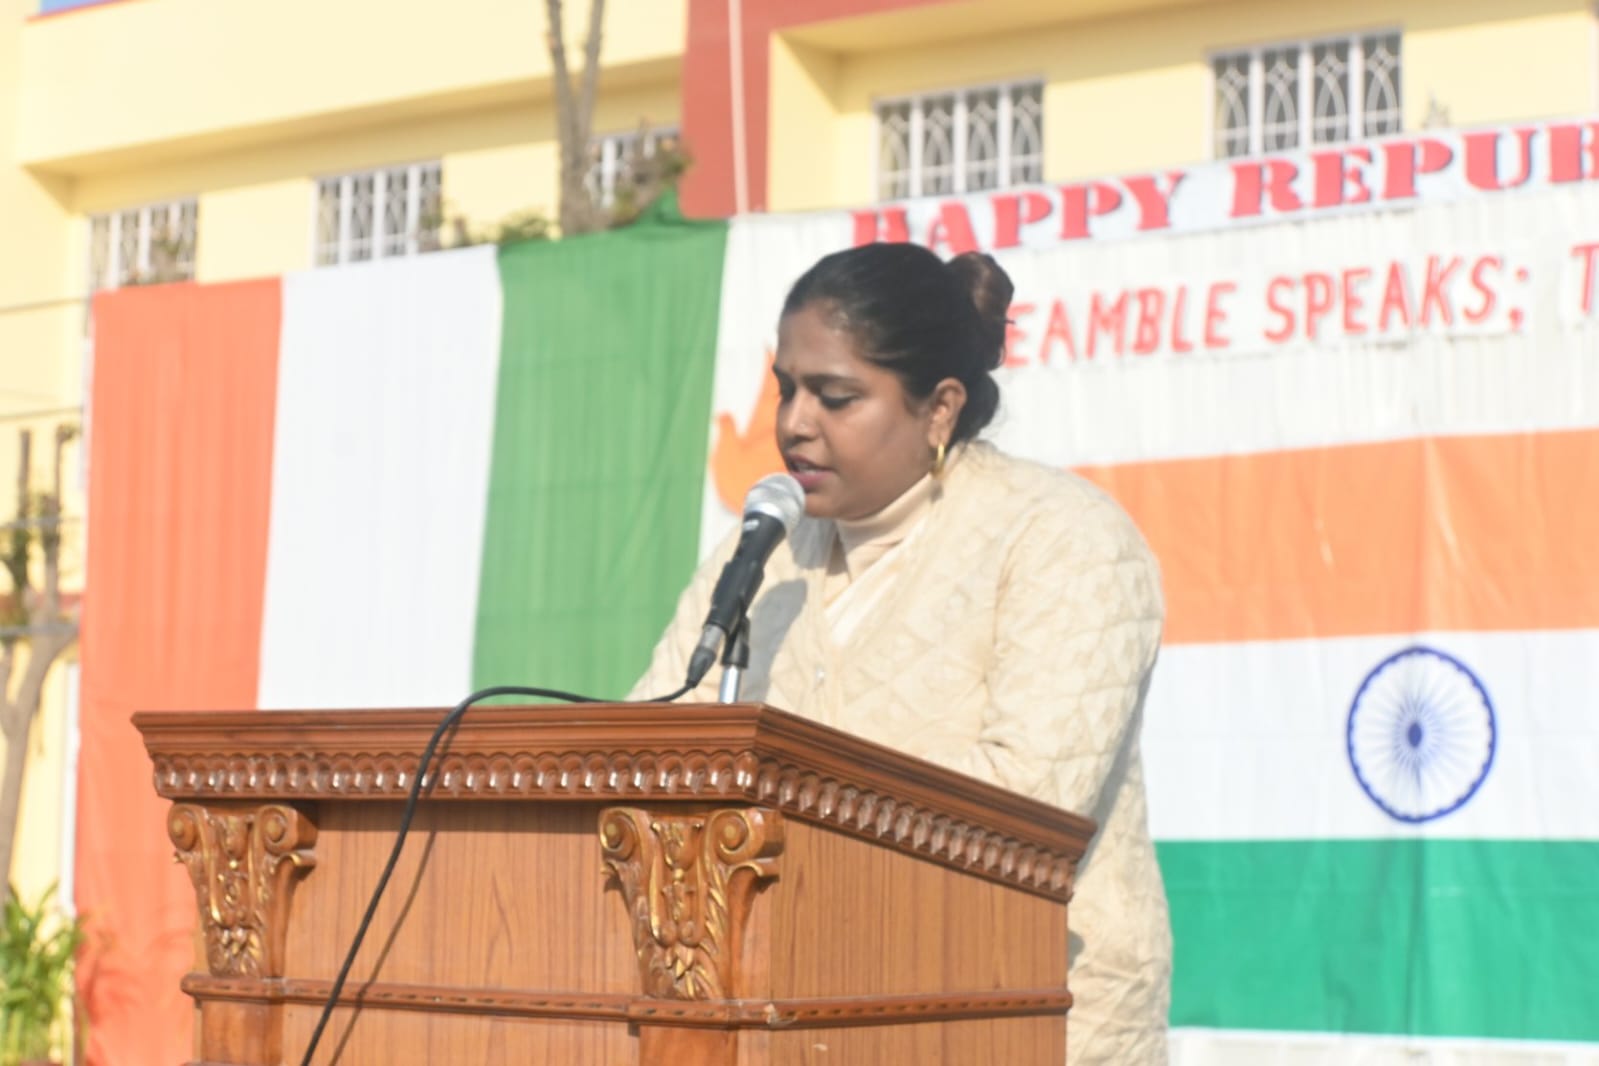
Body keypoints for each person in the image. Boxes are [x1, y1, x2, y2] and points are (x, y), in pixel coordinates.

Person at [629, 242, 1171, 1064]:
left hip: (1024, 1019)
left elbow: (1024, 809)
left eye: (834, 397)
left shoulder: (1064, 538)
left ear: (939, 408)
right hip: (799, 1017)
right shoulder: (764, 556)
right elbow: (649, 740)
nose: (793, 423)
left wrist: (780, 838)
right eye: (786, 388)